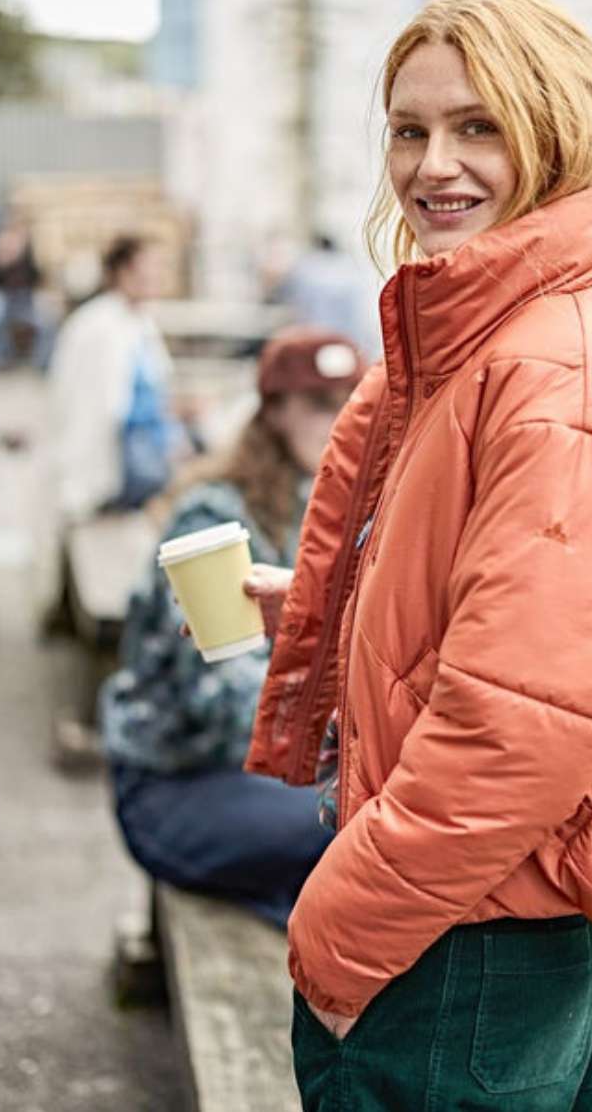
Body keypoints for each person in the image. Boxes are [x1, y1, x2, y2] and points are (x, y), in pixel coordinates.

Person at [236, 0, 592, 1109]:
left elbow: (521, 726)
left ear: (554, 130)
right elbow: (513, 618)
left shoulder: (552, 368)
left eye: (480, 126)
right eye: (410, 127)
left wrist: (340, 927)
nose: (437, 163)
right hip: (487, 905)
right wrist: (339, 608)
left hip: (465, 928)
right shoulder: (509, 329)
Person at [99, 327, 363, 927]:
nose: (341, 419)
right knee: (365, 828)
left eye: (353, 401)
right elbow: (221, 698)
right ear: (273, 411)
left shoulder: (331, 508)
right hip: (178, 784)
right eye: (321, 404)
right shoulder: (212, 520)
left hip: (272, 777)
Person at [45, 235, 186, 520]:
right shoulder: (97, 328)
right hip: (100, 485)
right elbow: (96, 409)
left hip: (134, 485)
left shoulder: (140, 322)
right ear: (123, 271)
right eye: (151, 266)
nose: (158, 274)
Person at [270, 233, 382, 358]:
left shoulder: (305, 267)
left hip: (312, 339)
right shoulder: (351, 269)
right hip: (347, 340)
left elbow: (285, 296)